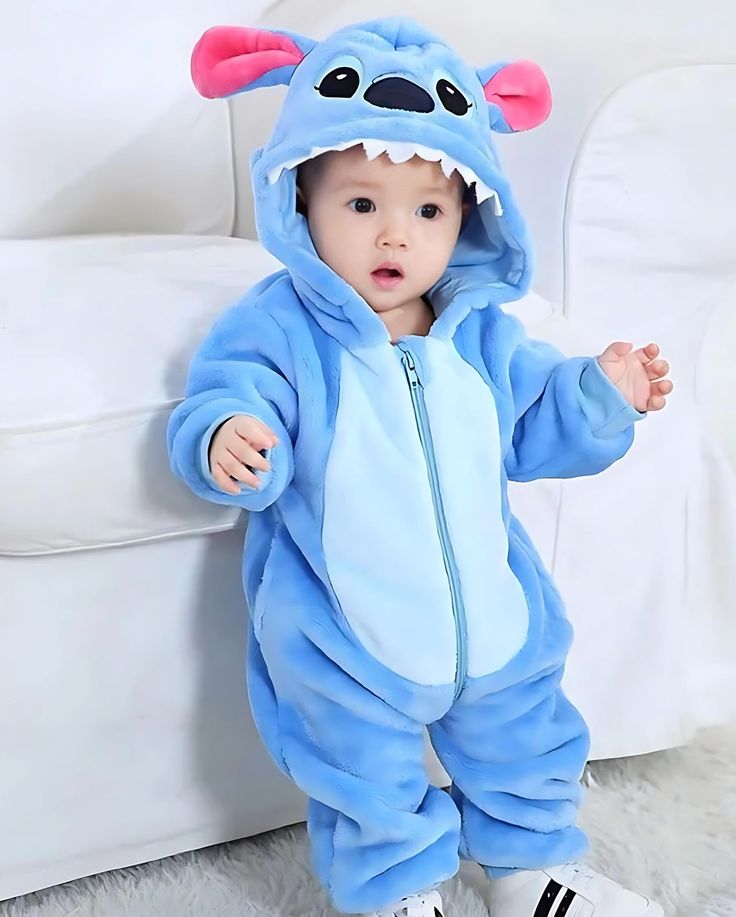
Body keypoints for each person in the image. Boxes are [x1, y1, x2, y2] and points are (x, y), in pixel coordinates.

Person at [167, 17, 672, 917]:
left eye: (428, 212)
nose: (394, 238)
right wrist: (226, 436)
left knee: (525, 740)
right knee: (362, 772)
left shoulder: (481, 334)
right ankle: (396, 889)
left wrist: (601, 393)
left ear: (469, 217)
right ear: (300, 200)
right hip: (346, 632)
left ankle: (530, 869)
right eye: (362, 205)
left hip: (495, 618)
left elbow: (536, 425)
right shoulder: (280, 327)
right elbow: (229, 394)